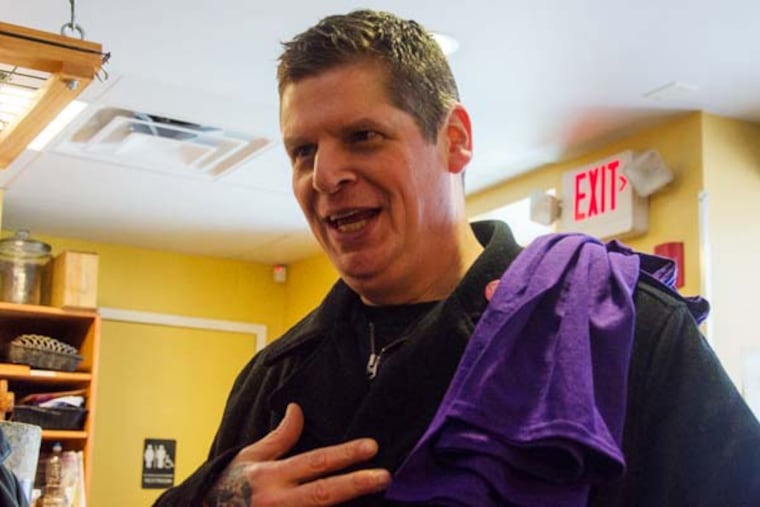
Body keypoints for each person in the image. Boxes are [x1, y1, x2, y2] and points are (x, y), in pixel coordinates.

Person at [154, 9, 760, 506]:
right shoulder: (272, 377)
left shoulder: (615, 328)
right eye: (303, 151)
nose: (326, 176)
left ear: (456, 139)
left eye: (363, 137)